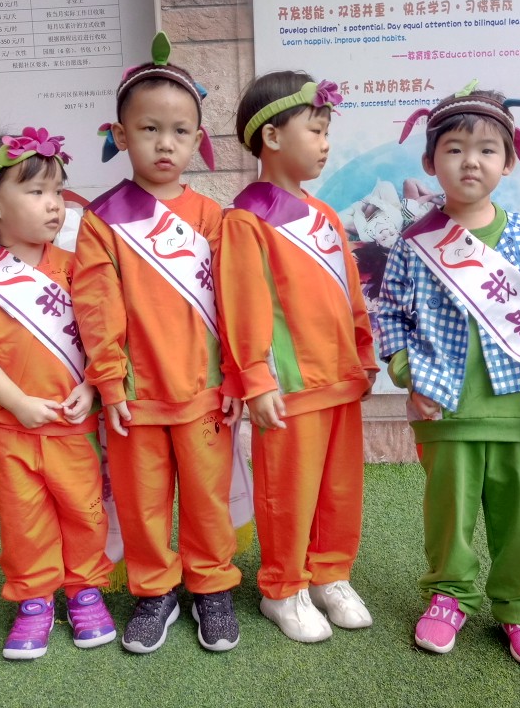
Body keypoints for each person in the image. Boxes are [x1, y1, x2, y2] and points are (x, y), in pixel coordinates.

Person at [376, 81, 520, 667]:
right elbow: (388, 314)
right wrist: (408, 372)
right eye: (455, 149)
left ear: (509, 161)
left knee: (518, 514)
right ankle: (449, 595)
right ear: (430, 162)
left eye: (487, 149)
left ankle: (519, 605)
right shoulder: (414, 243)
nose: (471, 161)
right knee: (449, 514)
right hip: (445, 409)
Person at [71, 32, 242, 654]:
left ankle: (212, 585)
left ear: (198, 139)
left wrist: (236, 374)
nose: (164, 143)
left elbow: (235, 306)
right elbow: (95, 308)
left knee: (207, 499)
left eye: (179, 131)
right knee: (143, 503)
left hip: (204, 391)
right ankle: (153, 590)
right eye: (149, 129)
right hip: (135, 397)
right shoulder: (102, 220)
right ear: (121, 135)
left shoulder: (213, 218)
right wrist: (108, 382)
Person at [0, 127, 116, 661]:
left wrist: (92, 386)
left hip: (73, 426)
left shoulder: (81, 269)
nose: (54, 204)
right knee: (23, 520)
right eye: (36, 192)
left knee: (84, 512)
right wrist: (18, 402)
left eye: (57, 191)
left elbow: (104, 338)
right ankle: (34, 599)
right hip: (7, 432)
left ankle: (84, 591)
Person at [216, 71, 379, 643]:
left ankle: (330, 574)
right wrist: (256, 380)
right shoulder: (245, 220)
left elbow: (351, 293)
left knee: (340, 489)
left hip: (341, 379)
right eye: (315, 130)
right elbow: (242, 308)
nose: (325, 143)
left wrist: (364, 354)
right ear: (272, 137)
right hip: (288, 386)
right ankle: (283, 587)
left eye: (327, 131)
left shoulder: (327, 215)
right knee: (288, 492)